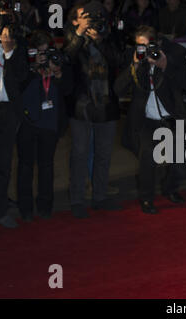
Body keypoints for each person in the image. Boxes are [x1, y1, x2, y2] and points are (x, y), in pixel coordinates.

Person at [114, 25, 186, 214]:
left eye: (147, 46)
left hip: (172, 118)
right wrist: (134, 65)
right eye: (139, 46)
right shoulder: (134, 58)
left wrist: (165, 65)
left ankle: (170, 188)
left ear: (157, 43)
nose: (144, 50)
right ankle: (146, 198)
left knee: (181, 163)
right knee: (148, 159)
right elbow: (118, 89)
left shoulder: (174, 55)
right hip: (146, 119)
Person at [63, 0, 124, 218]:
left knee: (104, 153)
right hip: (81, 105)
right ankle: (77, 200)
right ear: (75, 19)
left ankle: (99, 196)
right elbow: (66, 59)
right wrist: (80, 35)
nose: (90, 20)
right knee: (79, 154)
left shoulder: (107, 36)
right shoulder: (71, 38)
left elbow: (119, 60)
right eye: (84, 16)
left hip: (106, 104)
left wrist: (100, 40)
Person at [16, 30, 73, 221]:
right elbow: (17, 85)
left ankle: (45, 207)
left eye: (46, 51)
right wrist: (34, 68)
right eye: (40, 52)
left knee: (47, 166)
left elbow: (68, 89)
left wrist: (57, 72)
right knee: (25, 166)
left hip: (50, 123)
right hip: (27, 123)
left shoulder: (56, 61)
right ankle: (25, 209)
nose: (44, 56)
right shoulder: (25, 63)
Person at [0, 6, 29, 228]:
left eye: (6, 16)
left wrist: (9, 52)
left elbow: (22, 76)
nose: (2, 21)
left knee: (2, 165)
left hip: (8, 113)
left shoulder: (17, 45)